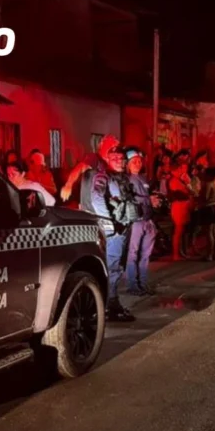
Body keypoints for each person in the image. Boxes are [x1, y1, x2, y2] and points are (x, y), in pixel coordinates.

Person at [87, 136, 136, 322]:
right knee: (112, 268)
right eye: (116, 159)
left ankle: (112, 303)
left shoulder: (122, 178)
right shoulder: (102, 177)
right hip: (114, 230)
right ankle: (108, 305)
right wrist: (107, 224)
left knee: (118, 267)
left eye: (123, 160)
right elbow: (97, 199)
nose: (121, 162)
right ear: (108, 159)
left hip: (123, 227)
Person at [124, 148, 158, 296]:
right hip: (136, 221)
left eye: (139, 161)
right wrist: (147, 200)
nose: (137, 164)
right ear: (128, 164)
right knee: (133, 254)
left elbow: (148, 196)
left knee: (145, 255)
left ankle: (143, 284)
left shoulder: (144, 179)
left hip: (148, 220)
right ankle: (133, 285)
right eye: (134, 161)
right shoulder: (126, 180)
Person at [168, 161, 195, 261]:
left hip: (184, 206)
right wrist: (187, 186)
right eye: (179, 169)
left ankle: (181, 251)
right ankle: (175, 254)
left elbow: (191, 192)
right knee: (178, 231)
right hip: (179, 207)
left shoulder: (180, 180)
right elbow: (184, 194)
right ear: (173, 171)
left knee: (182, 231)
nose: (181, 171)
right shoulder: (174, 181)